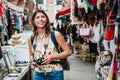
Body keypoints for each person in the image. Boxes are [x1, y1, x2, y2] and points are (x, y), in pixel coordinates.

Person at [28, 9, 71, 80]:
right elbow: (30, 55)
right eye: (37, 17)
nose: (40, 19)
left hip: (55, 73)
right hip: (39, 74)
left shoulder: (56, 34)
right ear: (33, 21)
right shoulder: (31, 38)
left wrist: (52, 57)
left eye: (43, 17)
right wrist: (32, 61)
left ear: (46, 19)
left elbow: (68, 52)